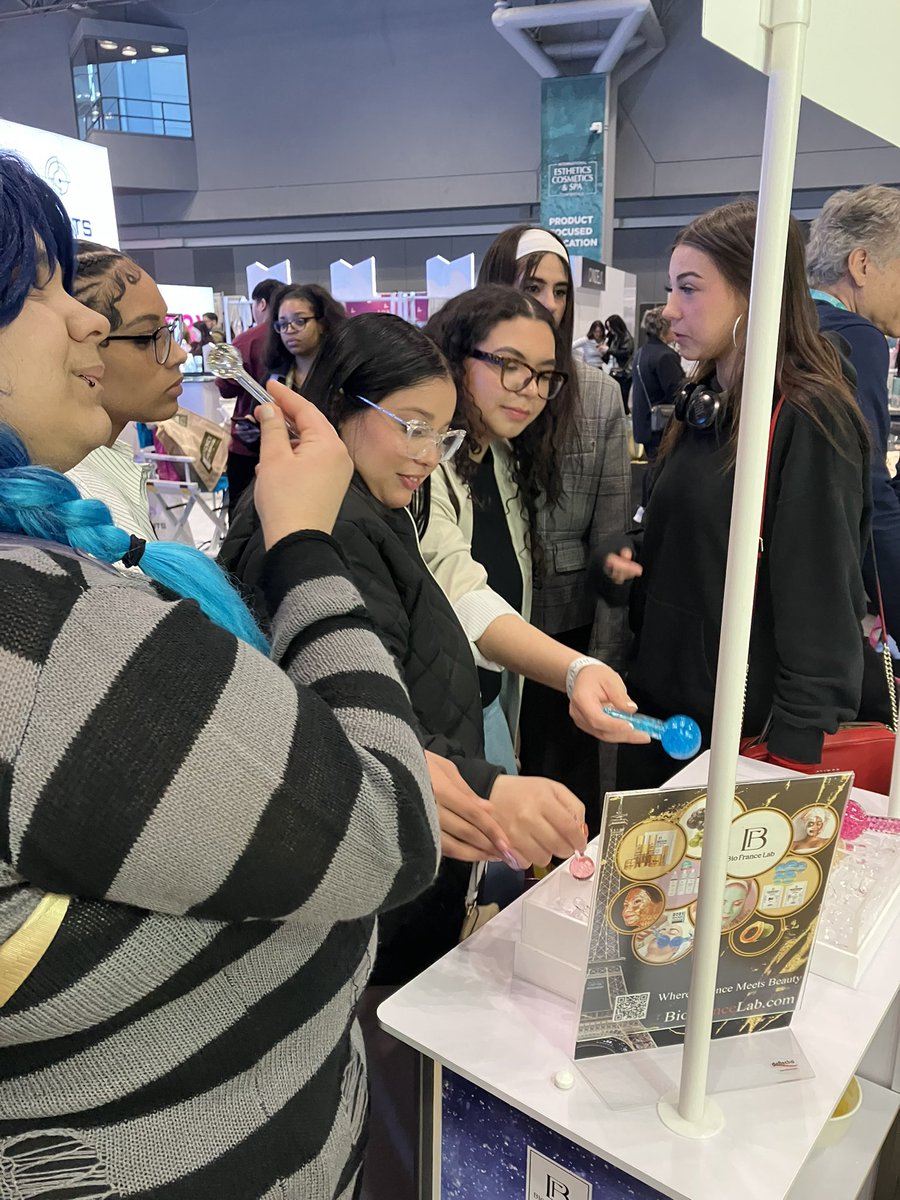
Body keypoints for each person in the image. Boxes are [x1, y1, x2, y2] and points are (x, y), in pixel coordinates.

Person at [0, 153, 439, 1200]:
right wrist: (302, 546)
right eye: (40, 288)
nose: (80, 329)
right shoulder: (46, 624)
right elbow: (381, 825)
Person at [219, 311, 588, 1200]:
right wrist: (493, 789)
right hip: (373, 877)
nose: (427, 452)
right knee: (384, 1092)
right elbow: (353, 712)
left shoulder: (369, 509)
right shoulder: (324, 530)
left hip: (404, 854)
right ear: (340, 406)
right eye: (410, 426)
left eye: (441, 432)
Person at [593, 200, 870, 791]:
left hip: (747, 734)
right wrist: (625, 556)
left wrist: (793, 752)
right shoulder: (702, 403)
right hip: (667, 716)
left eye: (689, 290)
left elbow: (820, 593)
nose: (668, 310)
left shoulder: (807, 416)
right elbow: (683, 532)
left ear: (753, 292)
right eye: (671, 289)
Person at [420, 283, 648, 791]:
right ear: (457, 358)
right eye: (510, 364)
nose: (530, 388)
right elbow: (461, 596)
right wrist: (573, 671)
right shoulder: (422, 470)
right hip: (428, 735)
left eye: (545, 375)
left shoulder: (499, 457)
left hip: (488, 712)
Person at [477, 226, 631, 821]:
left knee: (560, 796)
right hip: (476, 619)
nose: (547, 302)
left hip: (564, 625)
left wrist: (606, 656)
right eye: (531, 284)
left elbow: (613, 534)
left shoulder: (595, 394)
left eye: (560, 290)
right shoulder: (467, 385)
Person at [807, 186, 900, 640]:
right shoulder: (856, 337)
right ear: (861, 264)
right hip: (824, 596)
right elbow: (867, 488)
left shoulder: (783, 323)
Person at [66, 240, 188, 541]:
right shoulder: (83, 503)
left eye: (168, 330)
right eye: (148, 336)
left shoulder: (107, 461)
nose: (178, 355)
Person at [215, 276, 281, 515]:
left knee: (242, 509)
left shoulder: (247, 340)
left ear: (261, 304)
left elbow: (225, 386)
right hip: (291, 437)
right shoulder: (295, 340)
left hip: (249, 440)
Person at [631, 307, 684, 500]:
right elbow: (676, 392)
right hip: (661, 425)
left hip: (645, 421)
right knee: (661, 469)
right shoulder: (665, 356)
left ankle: (645, 507)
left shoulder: (641, 353)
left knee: (653, 465)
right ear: (664, 328)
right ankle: (650, 508)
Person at [265, 281, 347, 396]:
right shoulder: (274, 378)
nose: (289, 330)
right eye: (283, 324)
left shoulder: (346, 377)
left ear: (322, 324)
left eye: (299, 321)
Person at [603, 313, 635, 412]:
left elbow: (625, 353)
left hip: (624, 373)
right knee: (612, 399)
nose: (610, 330)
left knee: (622, 400)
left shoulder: (626, 337)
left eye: (611, 327)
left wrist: (608, 350)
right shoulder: (613, 337)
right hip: (614, 370)